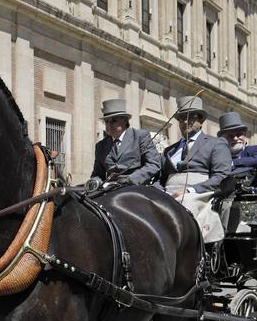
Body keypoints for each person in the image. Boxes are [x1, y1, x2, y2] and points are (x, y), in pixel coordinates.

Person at [158, 95, 232, 243]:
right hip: (168, 193)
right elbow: (160, 179)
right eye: (181, 118)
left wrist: (190, 190)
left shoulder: (216, 144)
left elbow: (221, 176)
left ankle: (188, 249)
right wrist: (157, 191)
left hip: (199, 193)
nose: (185, 122)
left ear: (201, 120)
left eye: (191, 117)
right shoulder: (169, 150)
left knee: (185, 203)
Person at [91, 98, 161, 186]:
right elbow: (97, 174)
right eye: (106, 121)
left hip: (136, 187)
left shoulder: (140, 137)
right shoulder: (100, 146)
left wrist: (130, 179)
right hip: (110, 189)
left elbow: (153, 164)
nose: (109, 125)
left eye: (113, 121)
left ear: (124, 120)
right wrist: (95, 182)